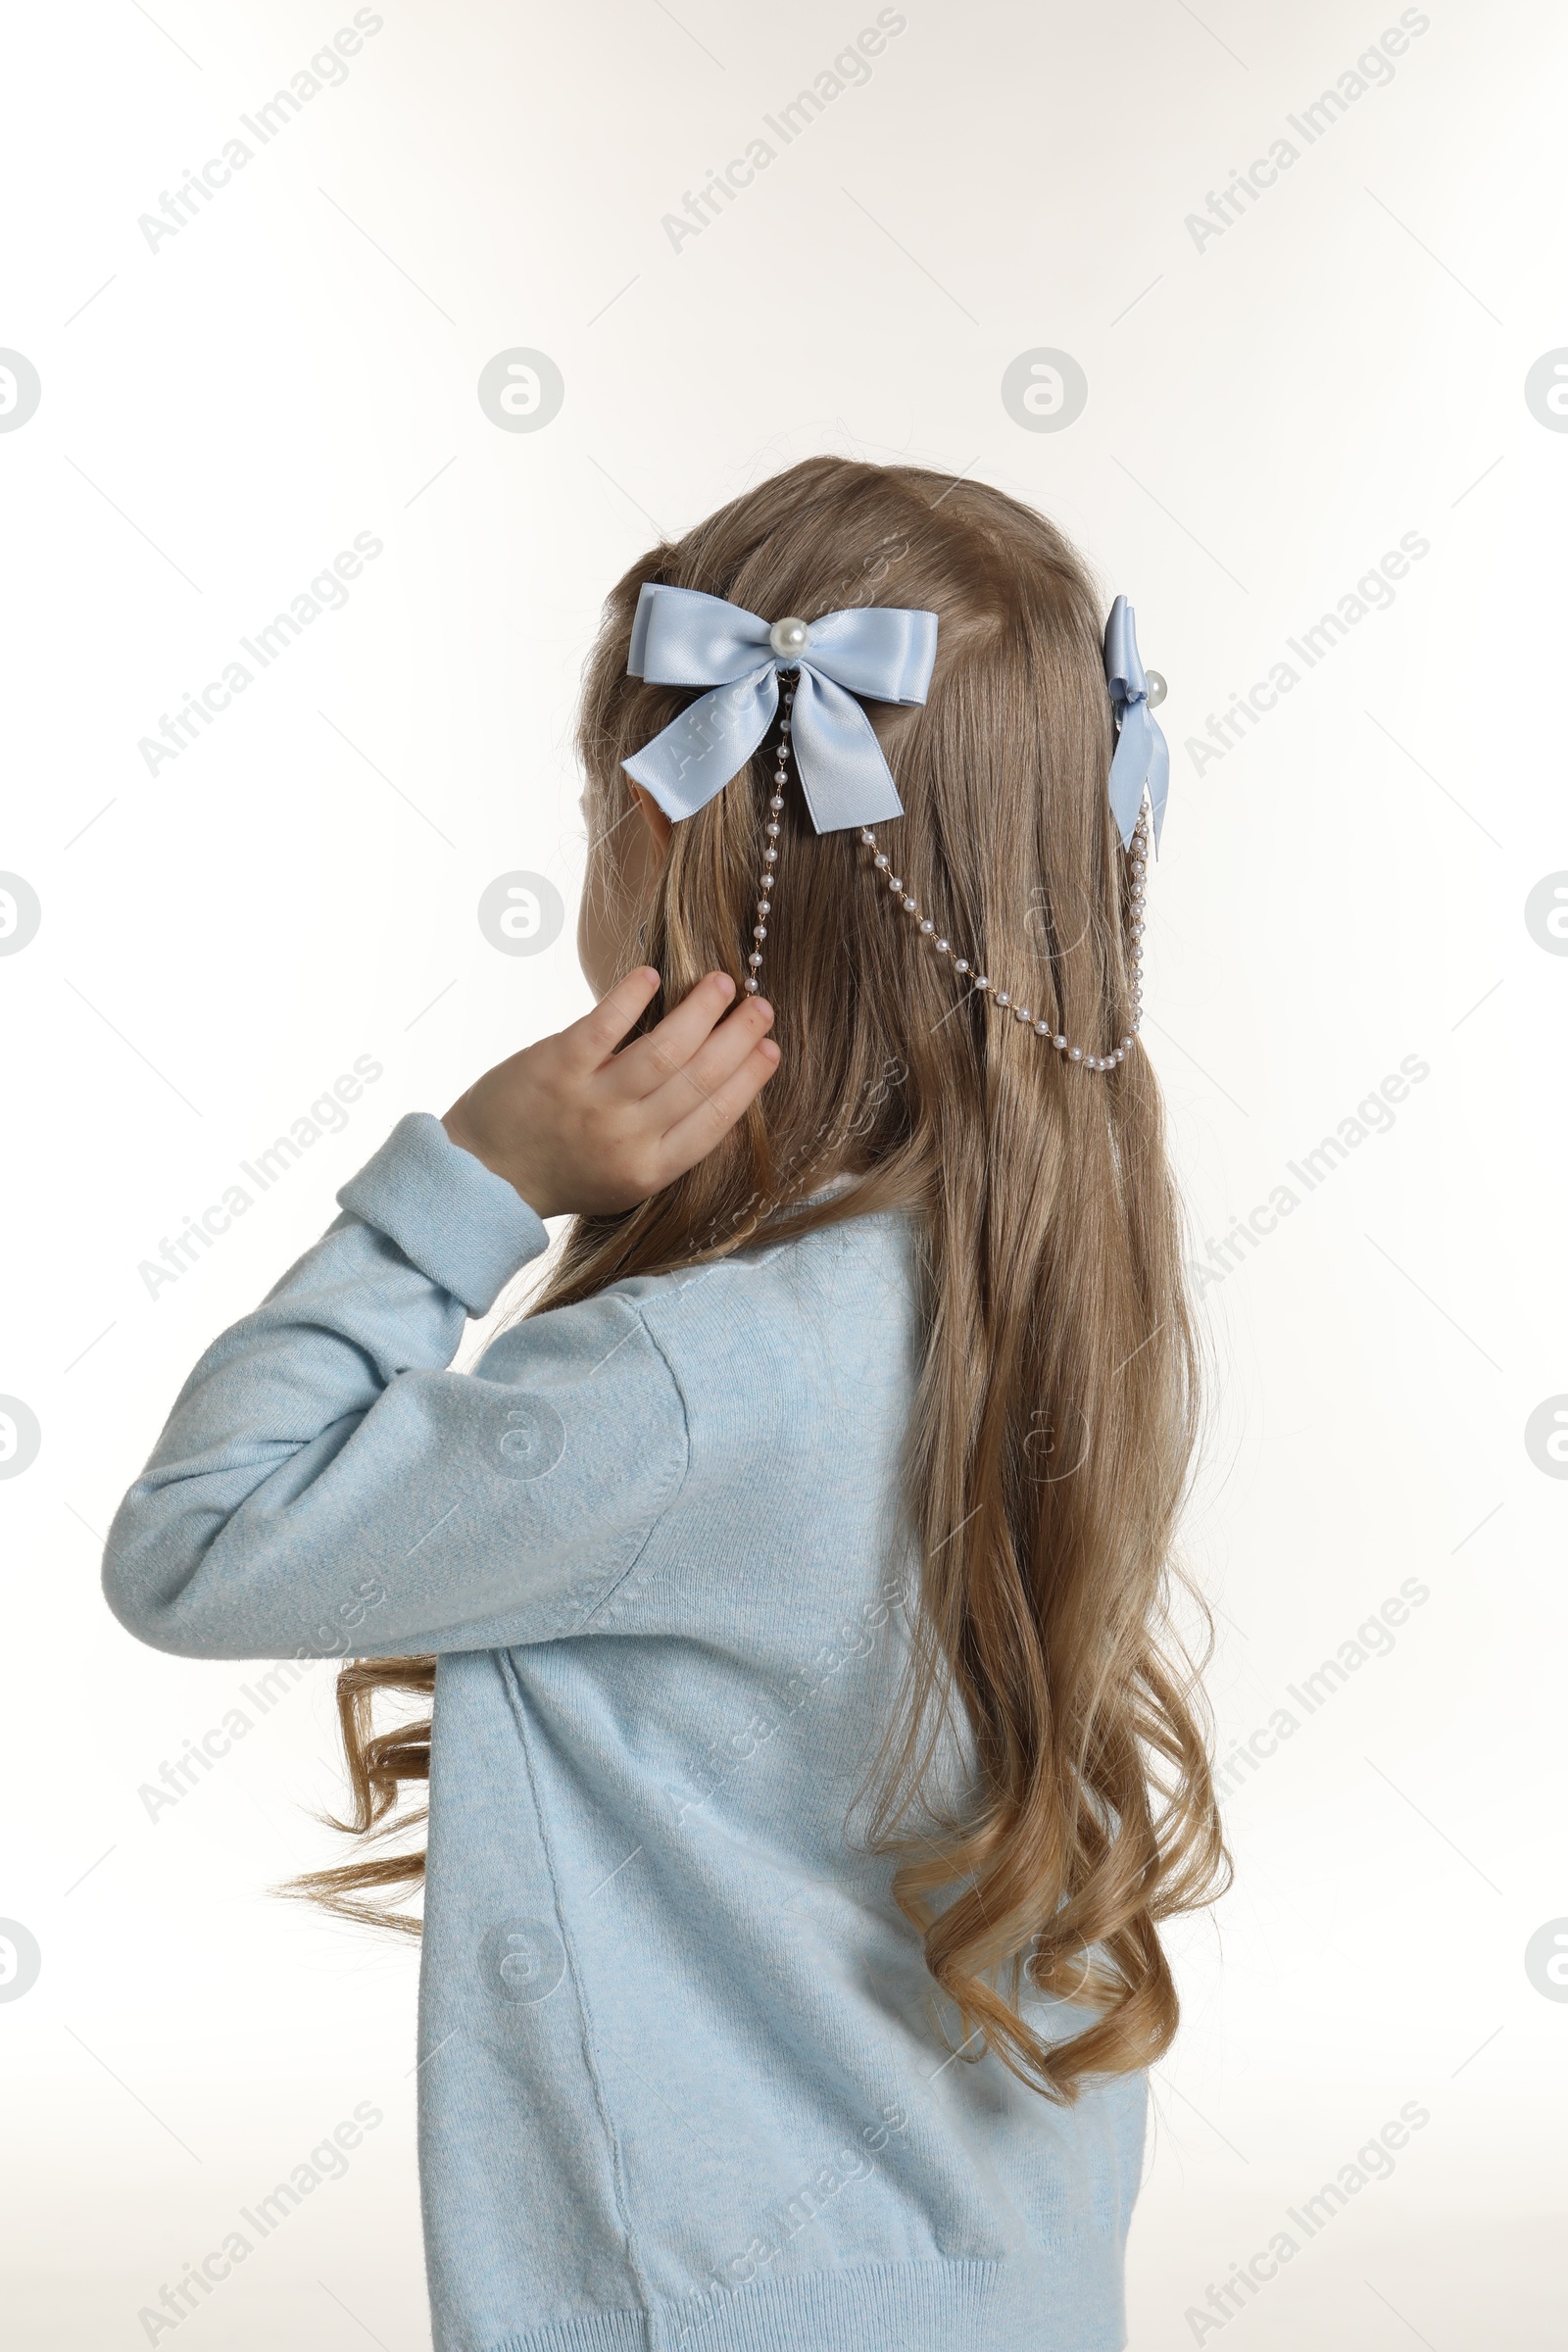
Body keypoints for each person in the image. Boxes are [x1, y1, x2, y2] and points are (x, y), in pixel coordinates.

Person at [103, 455, 1225, 2352]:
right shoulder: (1046, 1297)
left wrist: (473, 1167)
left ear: (659, 834)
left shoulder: (688, 1390)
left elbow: (193, 1541)